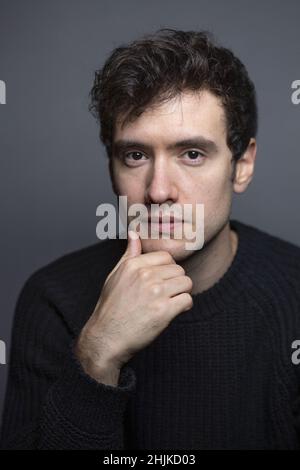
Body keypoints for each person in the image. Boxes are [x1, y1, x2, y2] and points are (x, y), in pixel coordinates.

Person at [1, 28, 300, 450]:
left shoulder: (294, 294)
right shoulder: (53, 299)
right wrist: (96, 356)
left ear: (243, 165)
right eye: (136, 156)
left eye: (192, 154)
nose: (158, 191)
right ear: (111, 167)